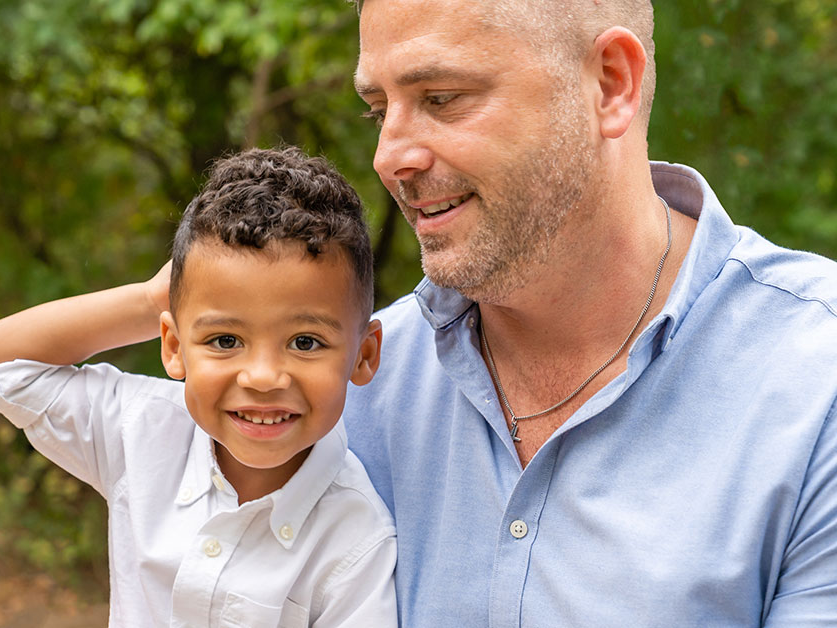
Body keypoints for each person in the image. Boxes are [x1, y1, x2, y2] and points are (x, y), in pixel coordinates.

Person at [344, 0, 837, 626]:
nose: (390, 157)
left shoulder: (817, 384)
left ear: (610, 83)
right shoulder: (345, 386)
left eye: (442, 97)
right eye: (379, 110)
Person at [0, 146, 397, 627]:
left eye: (306, 342)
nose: (263, 377)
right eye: (226, 339)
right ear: (173, 346)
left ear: (364, 355)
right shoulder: (143, 429)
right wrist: (150, 301)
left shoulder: (356, 538)